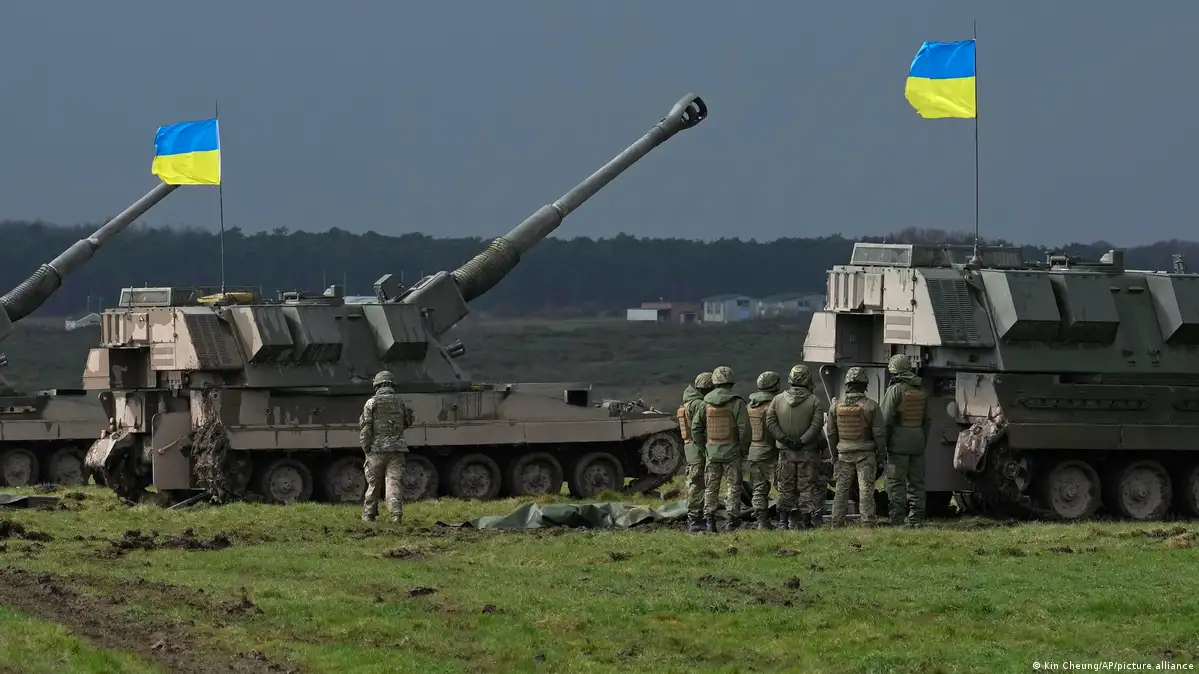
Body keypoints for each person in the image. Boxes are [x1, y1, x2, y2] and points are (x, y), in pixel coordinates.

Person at [765, 364, 827, 530]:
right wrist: (803, 440)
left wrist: (784, 439)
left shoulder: (777, 399)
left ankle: (783, 522)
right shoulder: (814, 401)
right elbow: (817, 425)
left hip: (785, 452)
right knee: (807, 486)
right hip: (807, 452)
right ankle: (806, 522)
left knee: (785, 487)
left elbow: (770, 422)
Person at [691, 365, 750, 532]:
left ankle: (710, 522)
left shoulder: (705, 402)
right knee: (734, 486)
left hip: (712, 452)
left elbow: (695, 428)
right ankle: (732, 522)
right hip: (732, 451)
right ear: (731, 382)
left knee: (711, 487)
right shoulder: (737, 403)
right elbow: (745, 429)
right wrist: (743, 449)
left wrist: (704, 447)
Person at [826, 367, 886, 527]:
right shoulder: (871, 406)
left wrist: (834, 455)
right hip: (866, 454)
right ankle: (868, 523)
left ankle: (836, 523)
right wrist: (881, 455)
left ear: (847, 384)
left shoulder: (835, 406)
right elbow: (879, 434)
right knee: (866, 490)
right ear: (865, 385)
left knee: (841, 490)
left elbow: (831, 433)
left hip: (843, 453)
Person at [880, 354, 932, 527]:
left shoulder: (895, 390)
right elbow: (927, 421)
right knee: (917, 483)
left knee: (896, 483)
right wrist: (922, 441)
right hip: (918, 443)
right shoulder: (921, 392)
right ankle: (916, 519)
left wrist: (883, 445)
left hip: (898, 445)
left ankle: (897, 519)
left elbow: (885, 420)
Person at [359, 370, 414, 523]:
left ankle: (369, 515)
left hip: (376, 450)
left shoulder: (371, 403)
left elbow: (366, 428)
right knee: (394, 482)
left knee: (373, 483)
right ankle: (396, 514)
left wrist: (366, 447)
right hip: (397, 449)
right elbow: (407, 422)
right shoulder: (401, 402)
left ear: (377, 385)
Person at [678, 371, 715, 533]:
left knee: (695, 482)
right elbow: (700, 429)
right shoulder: (699, 404)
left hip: (690, 448)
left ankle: (695, 517)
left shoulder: (688, 403)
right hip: (698, 449)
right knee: (698, 484)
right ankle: (695, 519)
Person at [746, 371, 782, 530]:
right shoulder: (775, 406)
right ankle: (785, 521)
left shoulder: (749, 406)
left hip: (754, 453)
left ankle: (762, 523)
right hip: (772, 454)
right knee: (784, 488)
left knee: (759, 490)